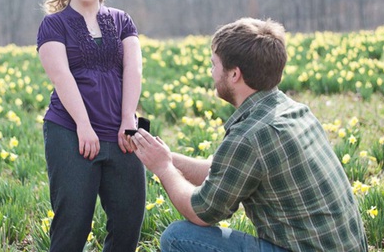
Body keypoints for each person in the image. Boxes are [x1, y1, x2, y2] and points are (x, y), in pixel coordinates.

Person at [130, 18, 368, 251]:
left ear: (234, 74)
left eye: (214, 64)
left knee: (178, 237)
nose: (212, 72)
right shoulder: (292, 110)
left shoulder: (251, 136)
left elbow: (202, 212)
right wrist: (166, 157)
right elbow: (223, 172)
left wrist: (163, 168)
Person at [36, 0, 145, 251]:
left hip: (121, 133)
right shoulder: (54, 25)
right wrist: (84, 125)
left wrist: (128, 119)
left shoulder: (122, 21)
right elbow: (62, 77)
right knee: (74, 222)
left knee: (129, 222)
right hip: (70, 132)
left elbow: (133, 68)